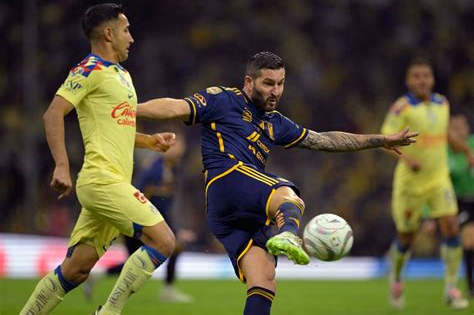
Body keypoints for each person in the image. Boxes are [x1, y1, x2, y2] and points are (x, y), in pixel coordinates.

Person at [137, 51, 417, 315]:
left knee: (264, 279)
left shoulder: (276, 123)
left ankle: (283, 234)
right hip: (226, 179)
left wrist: (379, 140)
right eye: (268, 83)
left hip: (229, 215)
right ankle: (288, 232)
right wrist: (131, 110)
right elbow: (175, 106)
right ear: (249, 82)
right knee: (288, 193)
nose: (276, 91)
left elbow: (325, 140)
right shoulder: (224, 99)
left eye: (281, 83)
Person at [20, 3, 177, 315]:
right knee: (164, 241)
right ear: (109, 33)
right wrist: (62, 164)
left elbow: (115, 126)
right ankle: (109, 311)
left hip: (114, 182)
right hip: (101, 180)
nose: (131, 38)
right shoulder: (87, 70)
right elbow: (53, 113)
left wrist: (149, 141)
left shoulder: (121, 75)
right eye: (126, 30)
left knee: (76, 270)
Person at [381, 58, 469, 310]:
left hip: (438, 179)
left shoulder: (443, 103)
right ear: (409, 81)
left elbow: (446, 134)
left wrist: (465, 150)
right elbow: (385, 139)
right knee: (406, 238)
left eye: (426, 76)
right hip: (410, 184)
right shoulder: (402, 107)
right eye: (417, 76)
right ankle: (396, 277)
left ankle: (451, 287)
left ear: (432, 79)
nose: (422, 80)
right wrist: (408, 159)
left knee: (452, 227)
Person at [87, 134, 195, 303]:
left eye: (180, 146)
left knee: (138, 260)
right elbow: (137, 195)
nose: (179, 150)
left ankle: (98, 276)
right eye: (175, 146)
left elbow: (164, 205)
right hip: (138, 220)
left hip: (152, 220)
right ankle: (162, 291)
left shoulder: (174, 169)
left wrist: (175, 228)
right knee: (139, 261)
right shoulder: (154, 170)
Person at [448, 114, 474, 298]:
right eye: (453, 127)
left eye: (461, 127)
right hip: (463, 202)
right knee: (469, 241)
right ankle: (471, 286)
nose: (457, 131)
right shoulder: (445, 152)